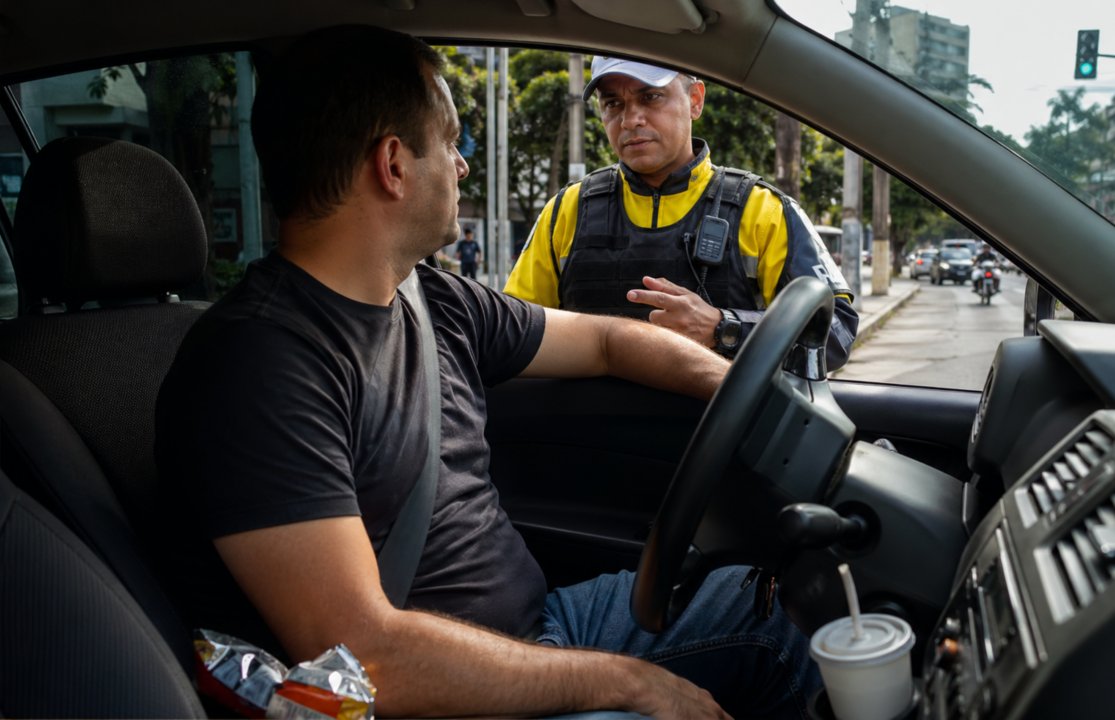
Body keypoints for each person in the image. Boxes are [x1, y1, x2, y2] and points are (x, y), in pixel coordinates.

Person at [154, 26, 820, 720]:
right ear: (393, 164)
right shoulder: (258, 366)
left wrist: (741, 393)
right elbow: (361, 657)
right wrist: (627, 682)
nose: (463, 166)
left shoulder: (431, 297)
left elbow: (604, 342)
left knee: (779, 610)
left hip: (540, 633)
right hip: (443, 695)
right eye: (449, 142)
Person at [504, 57, 858, 368]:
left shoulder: (762, 210)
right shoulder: (565, 211)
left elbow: (836, 331)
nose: (629, 120)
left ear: (695, 100)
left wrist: (725, 328)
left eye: (650, 97)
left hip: (714, 437)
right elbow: (508, 334)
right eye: (613, 103)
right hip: (583, 442)